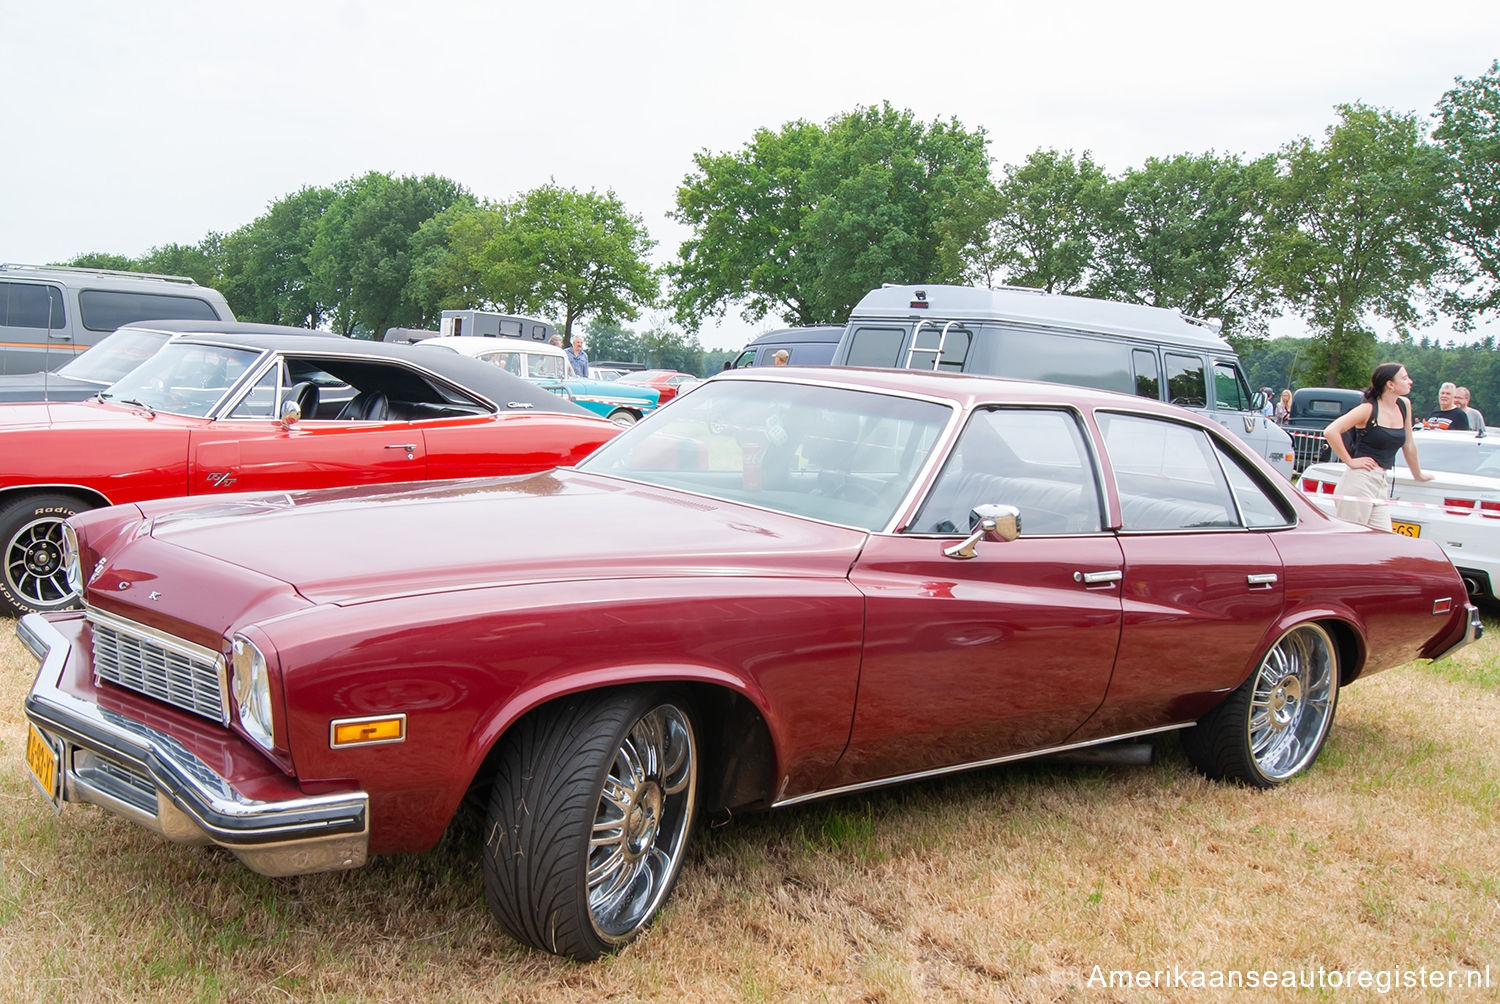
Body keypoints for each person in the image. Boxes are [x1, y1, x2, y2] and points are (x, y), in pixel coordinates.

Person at [1324, 362, 1432, 530]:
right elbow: (1331, 431)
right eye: (1404, 378)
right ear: (1390, 384)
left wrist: (1418, 474)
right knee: (1351, 540)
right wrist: (1350, 461)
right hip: (1359, 481)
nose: (1410, 381)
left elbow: (1409, 444)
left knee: (1383, 540)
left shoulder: (1404, 405)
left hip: (1381, 482)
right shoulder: (1368, 409)